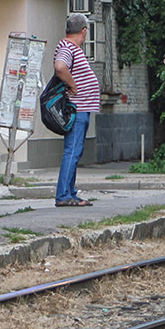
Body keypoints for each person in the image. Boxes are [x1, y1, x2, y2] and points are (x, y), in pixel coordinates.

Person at [54, 13, 100, 207]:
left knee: (75, 151)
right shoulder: (67, 47)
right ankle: (63, 195)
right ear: (83, 31)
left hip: (82, 108)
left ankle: (70, 193)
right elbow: (60, 66)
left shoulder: (71, 48)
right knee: (72, 151)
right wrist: (73, 85)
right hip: (76, 108)